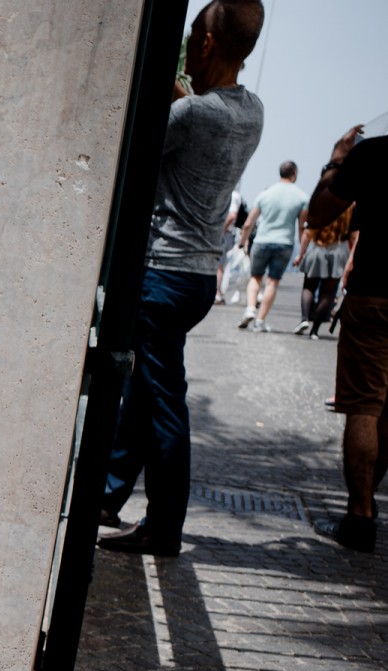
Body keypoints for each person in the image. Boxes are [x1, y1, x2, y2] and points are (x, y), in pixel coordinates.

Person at [98, 0, 265, 557]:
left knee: (165, 402)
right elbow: (205, 124)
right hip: (197, 277)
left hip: (162, 273)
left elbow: (130, 151)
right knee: (146, 391)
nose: (188, 45)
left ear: (209, 43)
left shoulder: (192, 115)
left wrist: (173, 100)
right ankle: (108, 493)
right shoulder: (251, 111)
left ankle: (164, 527)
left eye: (193, 34)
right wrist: (186, 98)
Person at [308, 125, 387, 553]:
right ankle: (366, 503)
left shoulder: (373, 153)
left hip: (376, 294)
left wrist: (337, 160)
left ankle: (360, 517)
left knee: (364, 406)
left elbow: (318, 213)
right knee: (386, 409)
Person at [237, 161, 309, 332]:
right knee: (272, 282)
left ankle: (250, 308)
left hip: (262, 241)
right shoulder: (302, 197)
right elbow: (301, 227)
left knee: (255, 278)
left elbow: (249, 223)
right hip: (284, 243)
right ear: (294, 174)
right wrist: (302, 252)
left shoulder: (265, 194)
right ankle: (260, 321)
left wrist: (242, 242)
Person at [292, 193, 353, 339]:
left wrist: (300, 254)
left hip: (316, 248)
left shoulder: (320, 205)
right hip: (338, 251)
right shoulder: (350, 209)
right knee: (327, 293)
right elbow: (355, 236)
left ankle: (304, 319)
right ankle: (315, 331)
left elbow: (307, 234)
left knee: (308, 287)